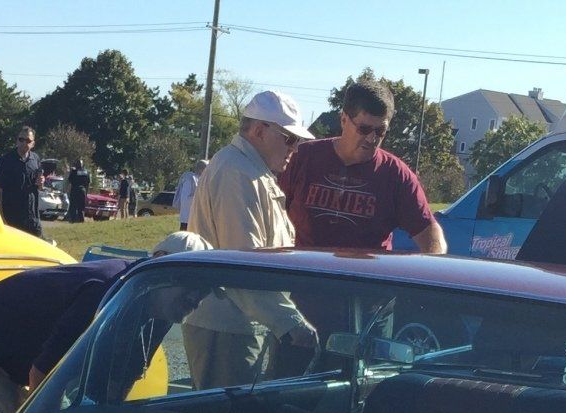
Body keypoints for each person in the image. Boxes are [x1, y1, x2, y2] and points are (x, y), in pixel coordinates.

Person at [184, 89, 320, 389]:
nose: (294, 149)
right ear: (259, 130)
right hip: (228, 326)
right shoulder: (237, 173)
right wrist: (292, 324)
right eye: (289, 138)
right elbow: (243, 266)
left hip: (242, 323)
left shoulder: (251, 171)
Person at [0, 258, 132, 413]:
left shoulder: (152, 299)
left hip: (12, 358)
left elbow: (119, 385)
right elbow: (42, 374)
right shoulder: (104, 291)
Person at [281, 78, 444, 253]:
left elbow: (430, 233)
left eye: (380, 131)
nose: (372, 138)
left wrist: (433, 261)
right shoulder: (301, 157)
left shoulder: (396, 175)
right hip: (305, 273)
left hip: (363, 276)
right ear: (343, 119)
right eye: (364, 129)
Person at [0, 126, 44, 236]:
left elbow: (39, 187)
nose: (24, 143)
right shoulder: (6, 160)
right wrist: (0, 217)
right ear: (17, 141)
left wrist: (41, 183)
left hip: (32, 218)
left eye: (28, 141)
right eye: (21, 139)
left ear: (33, 144)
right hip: (13, 218)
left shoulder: (36, 159)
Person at [174, 158, 205, 230]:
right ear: (201, 169)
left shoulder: (199, 179)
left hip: (195, 218)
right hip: (187, 219)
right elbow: (186, 199)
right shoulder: (190, 179)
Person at [67, 157, 90, 224]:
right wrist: (86, 193)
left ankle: (73, 220)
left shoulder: (74, 171)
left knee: (73, 206)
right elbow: (88, 183)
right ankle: (81, 220)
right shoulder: (86, 172)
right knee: (81, 207)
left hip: (75, 190)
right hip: (83, 190)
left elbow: (70, 180)